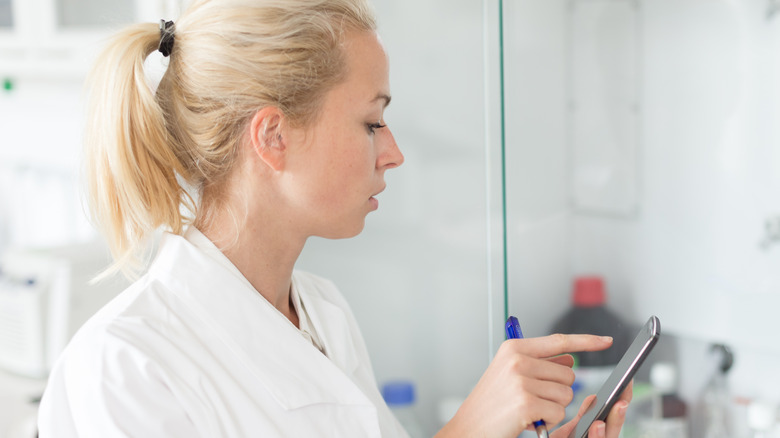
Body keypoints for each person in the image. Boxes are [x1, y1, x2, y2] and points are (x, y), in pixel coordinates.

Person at [37, 0, 632, 436]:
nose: (393, 152)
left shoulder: (322, 314)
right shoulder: (123, 368)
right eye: (372, 122)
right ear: (273, 136)